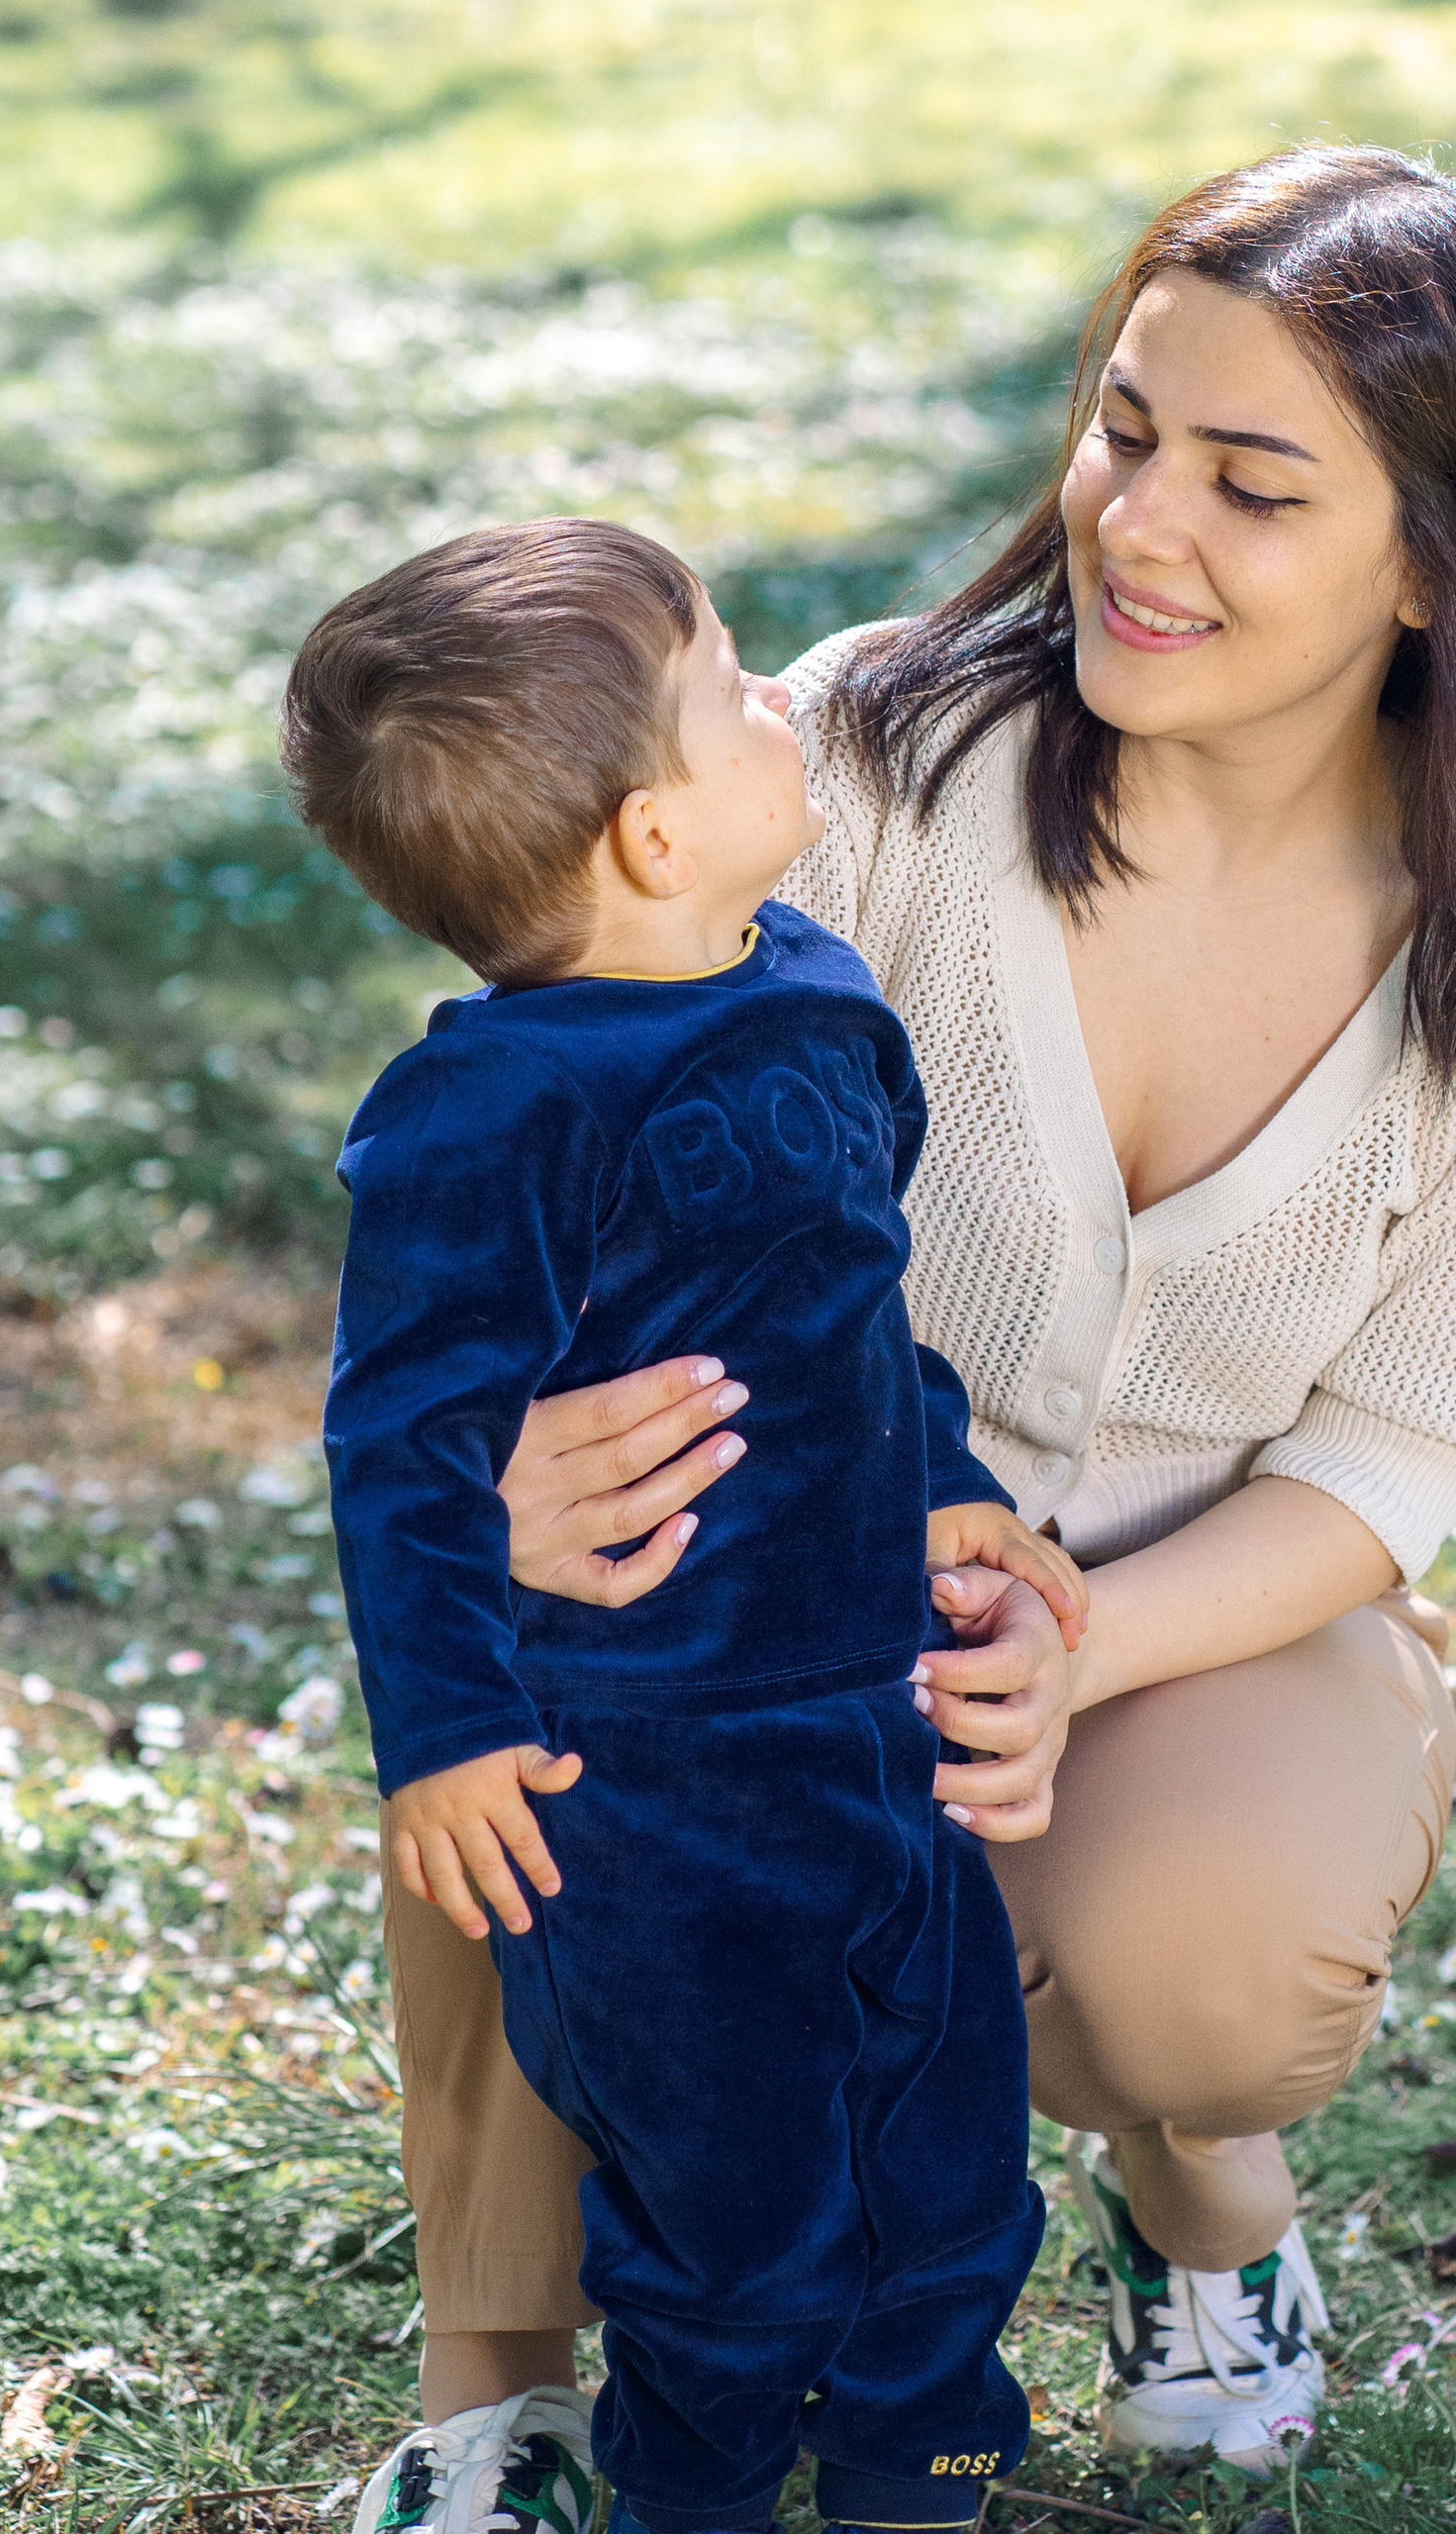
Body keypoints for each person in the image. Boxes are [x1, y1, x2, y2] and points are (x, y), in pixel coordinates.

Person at [358, 142, 1456, 2529]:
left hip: (1197, 1616)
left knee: (1198, 1965)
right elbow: (530, 1153)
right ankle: (501, 2389)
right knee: (540, 1687)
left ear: (1437, 562)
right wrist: (514, 1478)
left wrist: (1084, 1634)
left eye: (1251, 486)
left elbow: (1400, 1450)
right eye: (1125, 430)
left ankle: (1203, 2208)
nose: (1136, 525)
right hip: (761, 1609)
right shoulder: (862, 763)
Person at [287, 518, 1088, 2534]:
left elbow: (848, 1311)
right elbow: (400, 1436)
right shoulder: (490, 1113)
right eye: (731, 685)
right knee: (725, 2199)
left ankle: (919, 2461)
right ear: (653, 835)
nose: (774, 697)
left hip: (876, 1724)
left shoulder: (811, 993)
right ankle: (696, 2481)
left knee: (941, 2143)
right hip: (645, 1778)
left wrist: (951, 1491)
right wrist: (450, 1727)